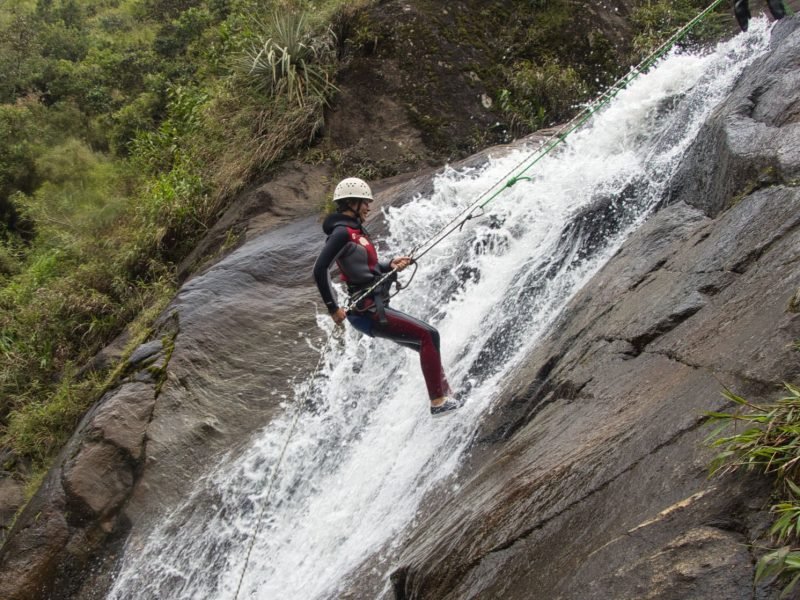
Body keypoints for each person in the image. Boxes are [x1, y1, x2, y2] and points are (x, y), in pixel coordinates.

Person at [312, 177, 461, 417]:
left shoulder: (356, 232)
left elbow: (365, 267)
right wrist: (332, 308)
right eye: (365, 203)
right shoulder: (341, 234)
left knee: (425, 341)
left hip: (371, 308)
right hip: (367, 310)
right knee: (428, 335)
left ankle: (447, 395)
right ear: (351, 202)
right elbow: (319, 270)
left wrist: (389, 264)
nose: (368, 207)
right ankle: (438, 402)